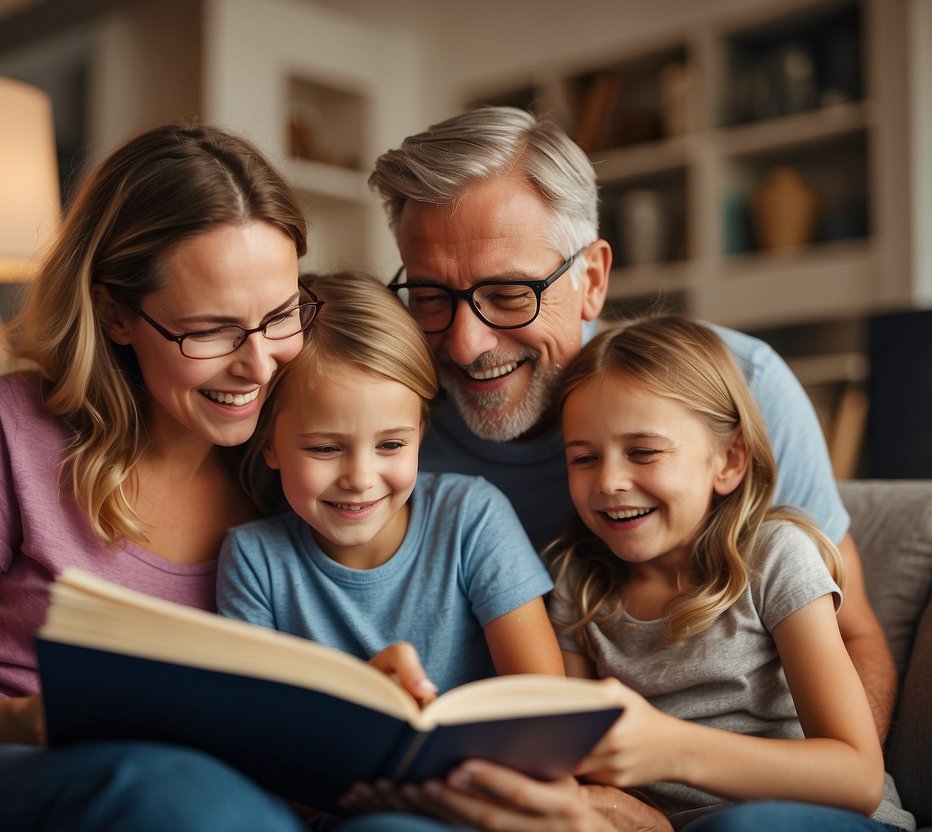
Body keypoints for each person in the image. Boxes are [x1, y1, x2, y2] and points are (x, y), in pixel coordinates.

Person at [0, 123, 439, 832]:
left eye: (280, 315)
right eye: (210, 330)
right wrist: (43, 720)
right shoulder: (18, 427)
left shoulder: (294, 466)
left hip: (202, 799)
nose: (260, 364)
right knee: (172, 791)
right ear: (114, 313)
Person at [367, 104, 896, 827]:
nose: (463, 344)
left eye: (508, 294)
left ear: (591, 278)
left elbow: (854, 638)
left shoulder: (739, 387)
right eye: (430, 297)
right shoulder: (385, 433)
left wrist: (795, 789)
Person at [547, 315, 912, 830]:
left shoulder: (776, 558)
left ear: (730, 459)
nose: (608, 481)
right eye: (583, 459)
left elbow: (857, 777)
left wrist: (671, 749)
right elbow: (583, 767)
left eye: (644, 452)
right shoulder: (577, 584)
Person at [218, 270, 564, 700]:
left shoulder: (471, 517)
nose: (361, 478)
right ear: (270, 444)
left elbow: (546, 704)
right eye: (326, 449)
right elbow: (252, 730)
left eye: (392, 444)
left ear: (420, 435)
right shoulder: (255, 562)